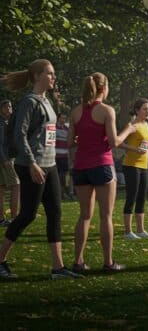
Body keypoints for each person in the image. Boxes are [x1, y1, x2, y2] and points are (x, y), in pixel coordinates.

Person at [0, 59, 82, 279]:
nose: (54, 77)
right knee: (27, 215)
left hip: (50, 164)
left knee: (55, 213)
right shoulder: (29, 102)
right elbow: (19, 135)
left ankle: (58, 268)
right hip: (32, 166)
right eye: (50, 73)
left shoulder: (47, 101)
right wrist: (33, 163)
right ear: (37, 76)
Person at [69, 72, 135, 272]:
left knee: (84, 216)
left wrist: (84, 139)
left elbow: (70, 142)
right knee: (105, 215)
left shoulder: (76, 112)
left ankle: (78, 262)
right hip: (102, 165)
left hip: (81, 167)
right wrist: (129, 130)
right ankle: (108, 262)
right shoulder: (107, 111)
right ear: (103, 89)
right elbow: (114, 142)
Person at [120, 98, 148, 240]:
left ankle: (140, 230)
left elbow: (144, 146)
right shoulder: (132, 125)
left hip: (144, 166)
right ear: (137, 110)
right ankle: (128, 232)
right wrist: (134, 149)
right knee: (131, 198)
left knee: (142, 198)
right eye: (145, 109)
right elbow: (119, 142)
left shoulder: (146, 124)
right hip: (131, 166)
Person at [0, 99, 20, 226]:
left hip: (6, 158)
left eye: (10, 107)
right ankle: (14, 217)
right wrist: (5, 159)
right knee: (16, 185)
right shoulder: (1, 123)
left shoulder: (7, 121)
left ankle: (2, 219)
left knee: (1, 189)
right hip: (5, 159)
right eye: (6, 107)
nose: (9, 109)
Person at [54, 113, 73, 200]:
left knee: (63, 176)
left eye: (65, 118)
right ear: (58, 118)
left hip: (64, 156)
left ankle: (62, 193)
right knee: (56, 175)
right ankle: (58, 193)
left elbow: (68, 144)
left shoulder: (67, 129)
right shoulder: (53, 128)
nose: (63, 120)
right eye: (62, 118)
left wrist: (69, 156)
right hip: (55, 156)